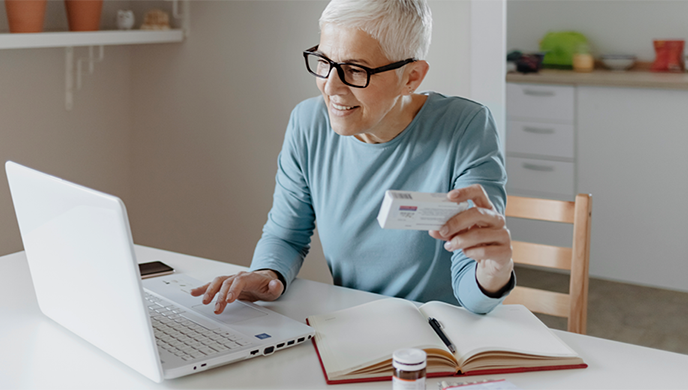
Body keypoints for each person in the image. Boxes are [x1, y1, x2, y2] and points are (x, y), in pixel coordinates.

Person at [191, 0, 514, 315]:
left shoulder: (466, 127)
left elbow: (472, 296)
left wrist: (493, 273)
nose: (330, 87)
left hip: (439, 338)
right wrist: (267, 275)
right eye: (324, 61)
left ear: (412, 77)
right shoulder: (308, 123)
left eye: (355, 70)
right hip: (351, 328)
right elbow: (286, 236)